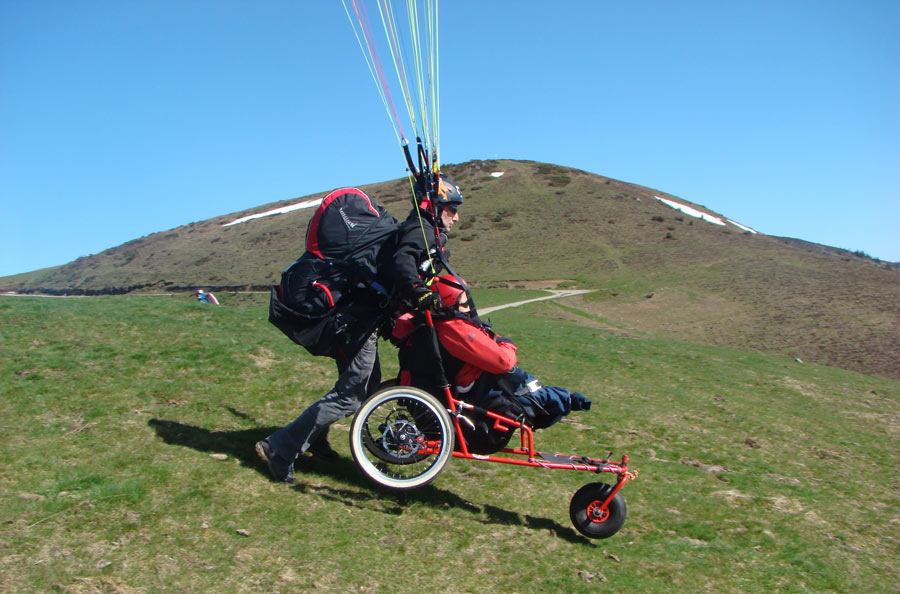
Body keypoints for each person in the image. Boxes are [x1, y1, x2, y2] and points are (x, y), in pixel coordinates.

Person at [255, 175, 465, 484]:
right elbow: (403, 260)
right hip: (359, 322)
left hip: (357, 318)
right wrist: (419, 292)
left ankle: (312, 440)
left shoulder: (420, 230)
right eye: (451, 208)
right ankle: (280, 448)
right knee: (352, 395)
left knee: (364, 385)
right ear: (433, 207)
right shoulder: (421, 233)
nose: (456, 216)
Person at [392, 275, 591, 452]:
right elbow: (503, 361)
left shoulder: (431, 325)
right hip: (483, 393)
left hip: (466, 389)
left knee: (535, 391)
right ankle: (571, 400)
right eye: (464, 302)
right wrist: (507, 344)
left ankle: (566, 400)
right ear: (451, 301)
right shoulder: (454, 329)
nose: (468, 306)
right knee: (533, 389)